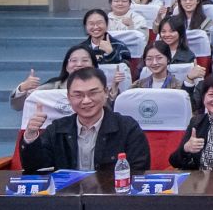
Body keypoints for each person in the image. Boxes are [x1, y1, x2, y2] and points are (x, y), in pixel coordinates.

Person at [18, 67, 151, 174]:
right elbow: (35, 168)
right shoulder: (57, 129)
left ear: (106, 92)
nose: (86, 101)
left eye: (93, 93)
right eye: (78, 95)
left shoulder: (127, 128)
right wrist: (30, 135)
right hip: (67, 195)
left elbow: (139, 170)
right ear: (69, 98)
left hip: (113, 195)